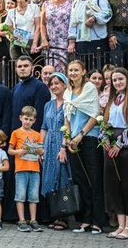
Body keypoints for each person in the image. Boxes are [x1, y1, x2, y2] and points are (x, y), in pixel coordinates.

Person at [100, 71, 128, 240]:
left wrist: (119, 143)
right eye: (114, 80)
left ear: (127, 79)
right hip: (110, 146)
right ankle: (120, 225)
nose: (118, 82)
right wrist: (104, 138)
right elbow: (105, 123)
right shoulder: (113, 100)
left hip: (127, 147)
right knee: (114, 185)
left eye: (120, 79)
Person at [63, 60, 104, 234]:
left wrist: (80, 135)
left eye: (76, 70)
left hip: (89, 138)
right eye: (70, 70)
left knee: (94, 180)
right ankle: (84, 220)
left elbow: (95, 114)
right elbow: (67, 116)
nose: (73, 73)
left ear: (83, 71)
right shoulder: (68, 92)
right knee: (80, 181)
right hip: (73, 140)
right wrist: (68, 138)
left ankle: (97, 221)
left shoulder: (90, 89)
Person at [41, 72, 70, 231]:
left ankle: (64, 216)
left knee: (62, 178)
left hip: (61, 143)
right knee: (50, 179)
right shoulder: (48, 105)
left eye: (57, 83)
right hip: (49, 143)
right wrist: (41, 148)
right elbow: (44, 127)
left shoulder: (69, 103)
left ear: (65, 84)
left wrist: (63, 147)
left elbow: (69, 127)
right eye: (52, 84)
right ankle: (54, 214)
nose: (54, 86)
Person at [8, 105, 44, 232]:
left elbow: (41, 151)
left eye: (30, 119)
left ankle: (33, 220)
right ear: (20, 118)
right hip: (21, 168)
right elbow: (10, 151)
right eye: (26, 118)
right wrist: (20, 151)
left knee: (34, 195)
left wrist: (38, 150)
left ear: (34, 121)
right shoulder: (16, 133)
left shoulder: (37, 134)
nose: (27, 121)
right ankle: (22, 220)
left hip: (35, 169)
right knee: (20, 194)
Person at [67, 0, 112, 67]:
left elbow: (108, 13)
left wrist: (95, 18)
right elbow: (72, 23)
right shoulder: (76, 2)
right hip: (81, 41)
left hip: (97, 39)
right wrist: (72, 42)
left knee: (97, 69)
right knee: (83, 69)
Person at [39, 0, 72, 72]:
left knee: (65, 71)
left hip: (65, 44)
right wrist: (44, 39)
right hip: (51, 44)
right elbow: (43, 24)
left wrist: (72, 42)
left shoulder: (71, 3)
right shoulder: (46, 4)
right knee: (51, 71)